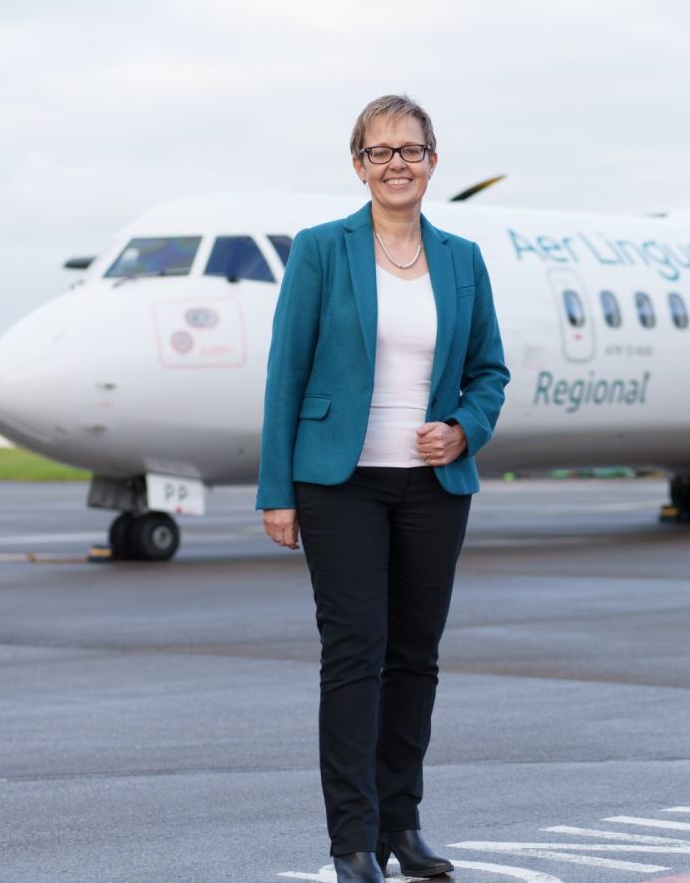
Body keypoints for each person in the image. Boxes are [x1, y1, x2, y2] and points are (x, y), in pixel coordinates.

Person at [257, 94, 509, 883]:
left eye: (411, 149)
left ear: (434, 160)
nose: (396, 164)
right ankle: (353, 841)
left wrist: (463, 427)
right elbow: (285, 373)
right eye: (380, 151)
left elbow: (489, 371)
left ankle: (403, 823)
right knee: (354, 654)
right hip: (339, 482)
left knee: (415, 659)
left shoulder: (462, 258)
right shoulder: (320, 251)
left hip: (434, 485)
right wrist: (277, 490)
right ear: (358, 164)